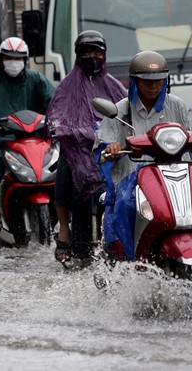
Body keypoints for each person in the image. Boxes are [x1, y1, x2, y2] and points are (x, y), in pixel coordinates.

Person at [94, 50, 192, 259]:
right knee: (127, 204)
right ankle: (129, 257)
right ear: (135, 82)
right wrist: (111, 148)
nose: (153, 86)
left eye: (159, 81)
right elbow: (102, 144)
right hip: (134, 179)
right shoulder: (120, 110)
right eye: (147, 81)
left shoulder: (176, 105)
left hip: (176, 174)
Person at [47, 31, 126, 265]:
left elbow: (124, 113)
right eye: (87, 52)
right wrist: (67, 132)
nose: (92, 56)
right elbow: (56, 115)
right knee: (65, 172)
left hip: (106, 149)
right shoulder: (67, 86)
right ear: (78, 55)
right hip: (76, 149)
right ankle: (65, 230)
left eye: (97, 52)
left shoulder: (113, 86)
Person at [0, 37, 55, 233]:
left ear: (25, 60)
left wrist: (55, 120)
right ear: (1, 59)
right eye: (9, 57)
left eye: (18, 58)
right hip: (1, 140)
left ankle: (60, 209)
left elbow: (53, 102)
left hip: (34, 139)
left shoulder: (37, 79)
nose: (13, 62)